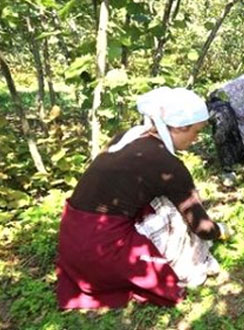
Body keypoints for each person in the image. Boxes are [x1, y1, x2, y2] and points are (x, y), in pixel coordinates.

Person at [56, 87, 231, 310]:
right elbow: (202, 227)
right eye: (196, 132)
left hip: (73, 238)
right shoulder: (167, 164)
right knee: (173, 212)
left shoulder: (129, 136)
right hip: (103, 251)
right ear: (179, 127)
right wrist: (220, 231)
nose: (196, 139)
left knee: (163, 199)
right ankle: (192, 263)